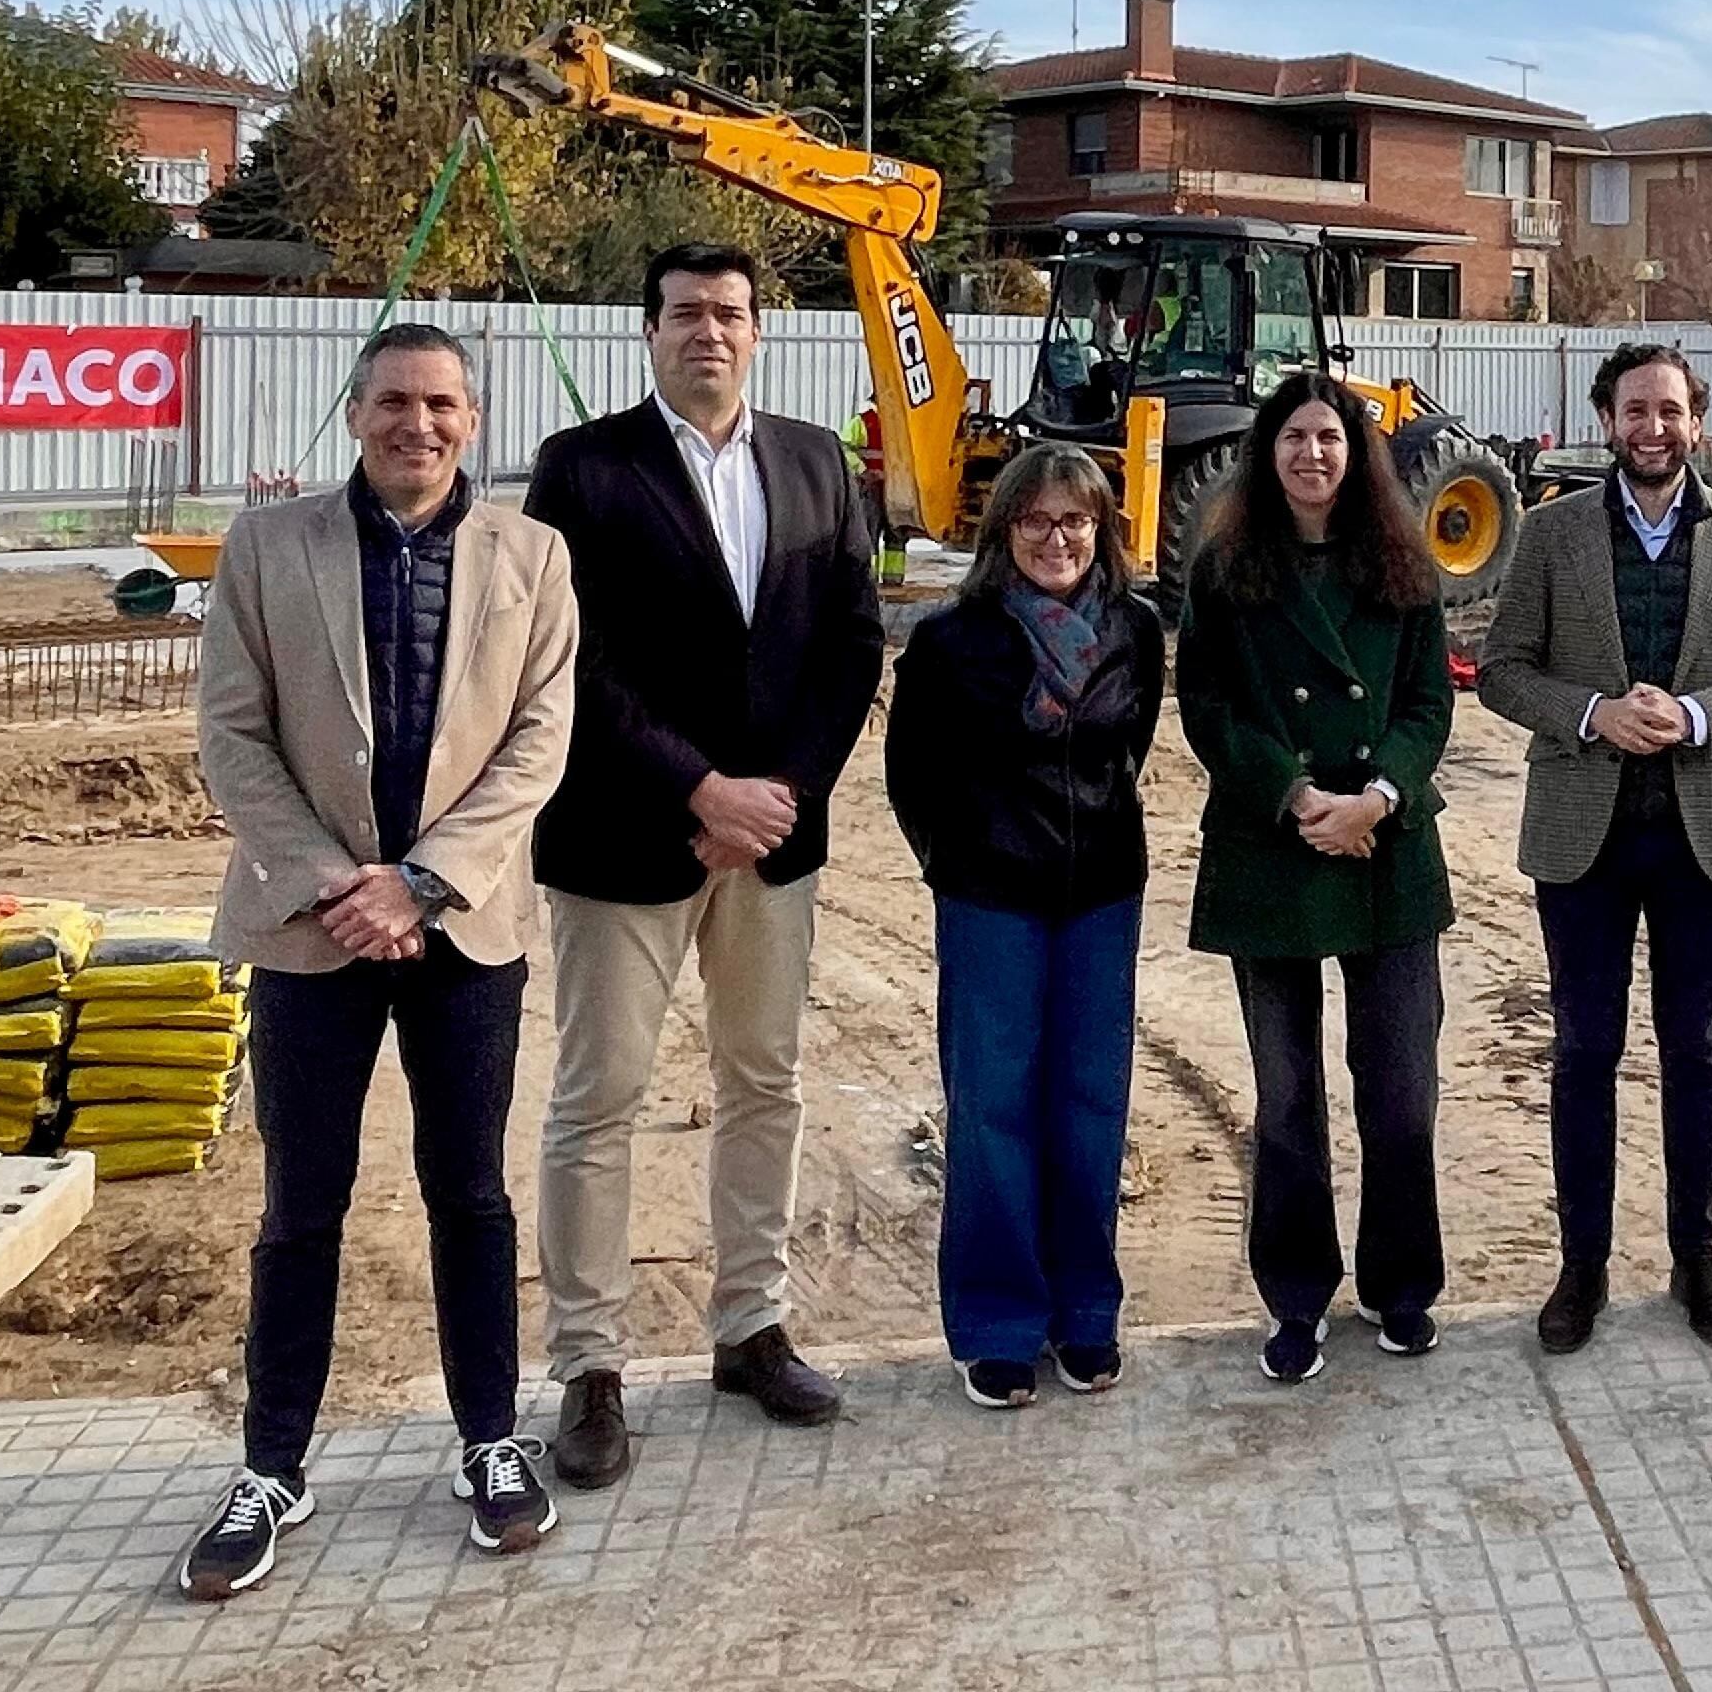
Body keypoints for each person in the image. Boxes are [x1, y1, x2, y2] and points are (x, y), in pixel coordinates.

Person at [180, 323, 578, 1599]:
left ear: (474, 417)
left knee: (471, 1193)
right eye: (396, 401)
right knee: (304, 1202)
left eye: (443, 403)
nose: (420, 423)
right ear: (354, 413)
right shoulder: (266, 547)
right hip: (311, 932)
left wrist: (420, 880)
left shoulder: (535, 556)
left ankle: (488, 1440)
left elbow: (538, 740)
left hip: (464, 928)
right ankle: (272, 1462)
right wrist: (336, 884)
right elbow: (234, 738)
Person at [525, 242, 886, 1487]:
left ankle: (751, 1325)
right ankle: (589, 1365)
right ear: (650, 328)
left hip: (772, 843)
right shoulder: (584, 469)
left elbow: (851, 642)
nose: (709, 332)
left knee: (764, 1081)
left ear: (759, 331)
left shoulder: (816, 461)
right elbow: (571, 662)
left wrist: (777, 798)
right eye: (685, 312)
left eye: (731, 313)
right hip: (628, 834)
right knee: (599, 1099)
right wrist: (697, 787)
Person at [1476, 340, 1712, 1355]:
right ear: (1606, 419)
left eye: (1670, 410)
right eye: (1634, 411)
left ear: (1696, 418)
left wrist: (1699, 715)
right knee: (1583, 1052)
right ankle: (1583, 1264)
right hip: (1584, 838)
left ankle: (1697, 1256)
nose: (1652, 428)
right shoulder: (1551, 532)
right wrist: (1591, 714)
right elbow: (1500, 670)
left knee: (1695, 1051)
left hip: (1701, 835)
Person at [1176, 370, 1459, 1385]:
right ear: (1269, 451)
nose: (1312, 455)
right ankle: (1296, 1298)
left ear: (1358, 453)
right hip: (1274, 848)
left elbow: (1429, 703)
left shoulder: (1405, 566)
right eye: (1294, 438)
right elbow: (1208, 708)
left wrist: (1378, 796)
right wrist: (1297, 798)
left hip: (1387, 846)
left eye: (1330, 439)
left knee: (1400, 1092)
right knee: (1286, 1097)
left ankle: (1403, 1286)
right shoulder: (1224, 571)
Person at [884, 445, 1167, 1411]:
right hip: (991, 902)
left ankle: (1085, 1312)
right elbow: (911, 776)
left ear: (1103, 531)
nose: (1059, 538)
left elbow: (1129, 748)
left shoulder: (1135, 631)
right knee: (994, 1110)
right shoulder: (951, 642)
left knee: (1092, 1108)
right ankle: (999, 1321)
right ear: (1004, 531)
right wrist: (958, 866)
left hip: (1100, 900)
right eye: (1038, 521)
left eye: (1078, 521)